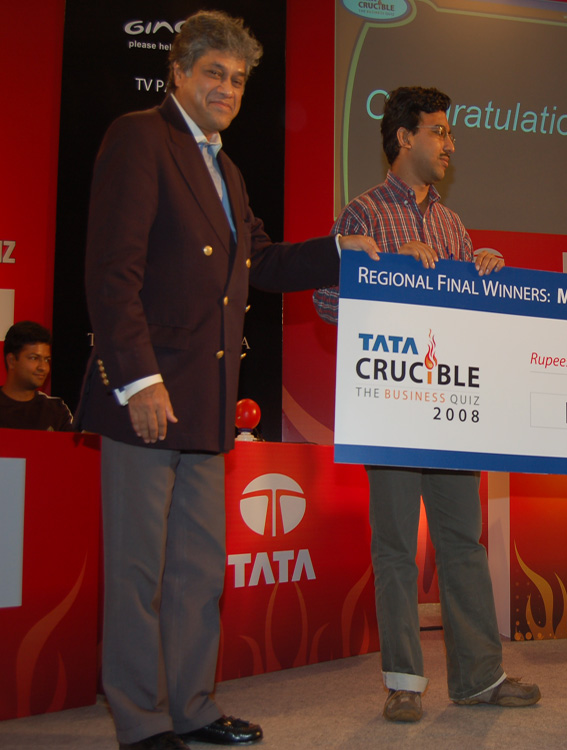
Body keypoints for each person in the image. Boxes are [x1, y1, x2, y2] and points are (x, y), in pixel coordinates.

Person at [77, 11, 376, 750]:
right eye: (215, 73)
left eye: (239, 80)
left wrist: (339, 250)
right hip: (149, 395)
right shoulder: (140, 137)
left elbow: (260, 262)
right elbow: (112, 271)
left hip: (206, 404)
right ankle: (141, 721)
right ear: (179, 72)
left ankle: (194, 708)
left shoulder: (227, 169)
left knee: (197, 572)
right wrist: (138, 379)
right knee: (139, 572)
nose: (228, 90)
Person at [313, 86, 539, 723]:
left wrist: (484, 270)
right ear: (404, 137)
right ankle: (404, 682)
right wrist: (388, 267)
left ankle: (479, 677)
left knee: (463, 541)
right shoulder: (361, 213)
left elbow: (469, 316)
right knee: (394, 546)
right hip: (389, 404)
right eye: (439, 131)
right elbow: (325, 303)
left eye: (450, 133)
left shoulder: (452, 225)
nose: (449, 144)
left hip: (450, 407)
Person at [0, 321, 73, 431]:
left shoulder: (57, 411)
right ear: (11, 361)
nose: (43, 367)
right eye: (34, 358)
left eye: (47, 360)